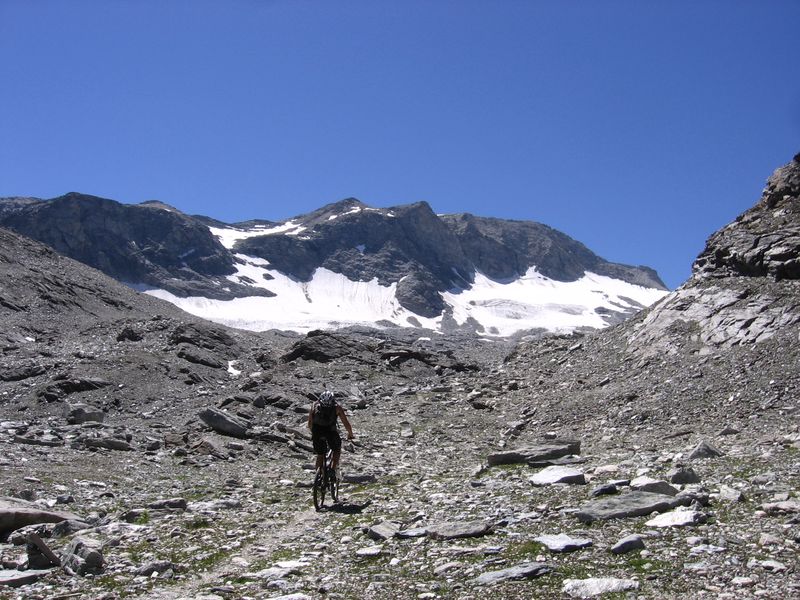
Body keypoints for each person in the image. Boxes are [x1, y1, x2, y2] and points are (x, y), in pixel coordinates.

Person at [307, 390, 354, 481]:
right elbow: (346, 423)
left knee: (320, 454)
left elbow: (309, 423)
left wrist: (313, 432)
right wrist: (350, 434)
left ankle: (318, 478)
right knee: (336, 449)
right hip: (330, 432)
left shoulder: (314, 406)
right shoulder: (337, 407)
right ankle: (332, 470)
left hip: (317, 432)